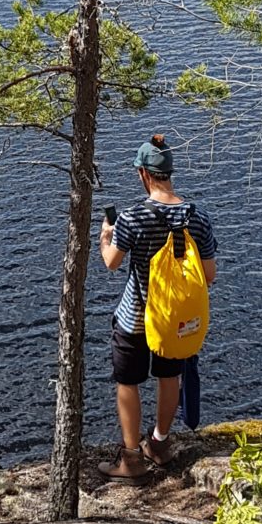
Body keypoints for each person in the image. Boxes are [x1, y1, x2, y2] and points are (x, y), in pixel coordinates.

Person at [97, 134, 217, 483]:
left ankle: (131, 458)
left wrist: (106, 237)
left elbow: (112, 263)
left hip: (136, 316)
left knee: (128, 382)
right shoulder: (199, 217)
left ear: (143, 174)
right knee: (169, 376)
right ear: (169, 173)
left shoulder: (133, 217)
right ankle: (160, 444)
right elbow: (209, 275)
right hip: (177, 320)